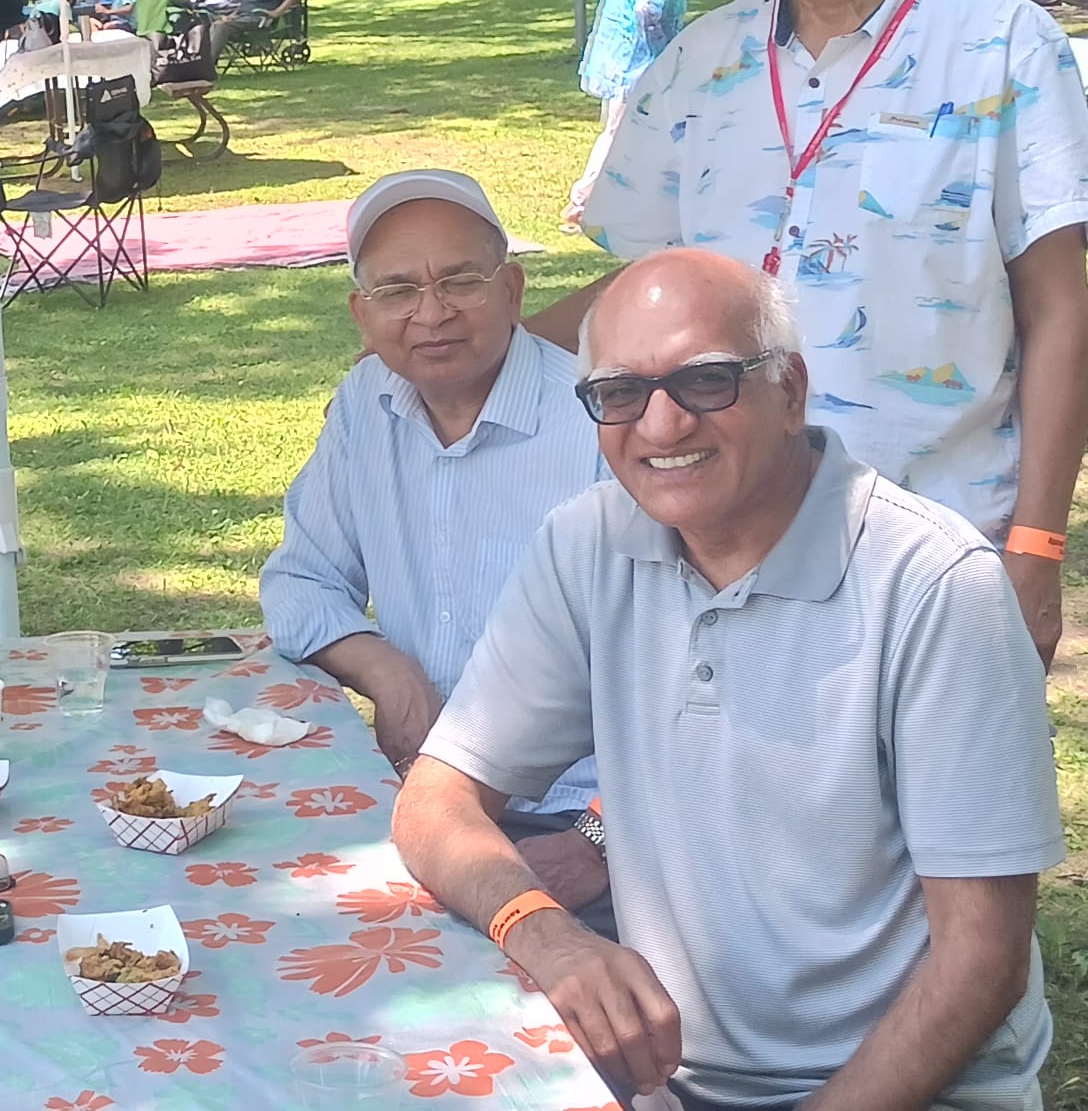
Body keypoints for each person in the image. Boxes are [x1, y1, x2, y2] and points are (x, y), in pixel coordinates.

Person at [397, 248, 1063, 1111]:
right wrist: (548, 936)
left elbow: (983, 961)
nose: (662, 425)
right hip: (670, 1079)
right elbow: (435, 801)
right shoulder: (587, 545)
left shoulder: (934, 585)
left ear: (791, 391)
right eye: (620, 393)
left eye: (706, 381)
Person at [537, 0, 1088, 666]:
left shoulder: (1008, 47)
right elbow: (646, 287)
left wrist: (1037, 543)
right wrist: (487, 345)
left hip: (940, 552)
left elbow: (1060, 309)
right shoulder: (694, 66)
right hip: (720, 552)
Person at [261, 172, 610, 927]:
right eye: (397, 291)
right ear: (362, 314)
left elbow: (692, 667)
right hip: (427, 802)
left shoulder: (601, 421)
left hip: (577, 822)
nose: (431, 313)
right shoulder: (367, 404)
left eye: (460, 281)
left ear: (513, 290)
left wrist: (598, 842)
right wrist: (391, 676)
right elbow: (301, 579)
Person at [559, 0, 692, 232]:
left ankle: (651, 201)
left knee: (642, 133)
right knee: (621, 134)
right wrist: (663, 55)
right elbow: (647, 10)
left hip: (621, 61)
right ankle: (583, 203)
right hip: (638, 65)